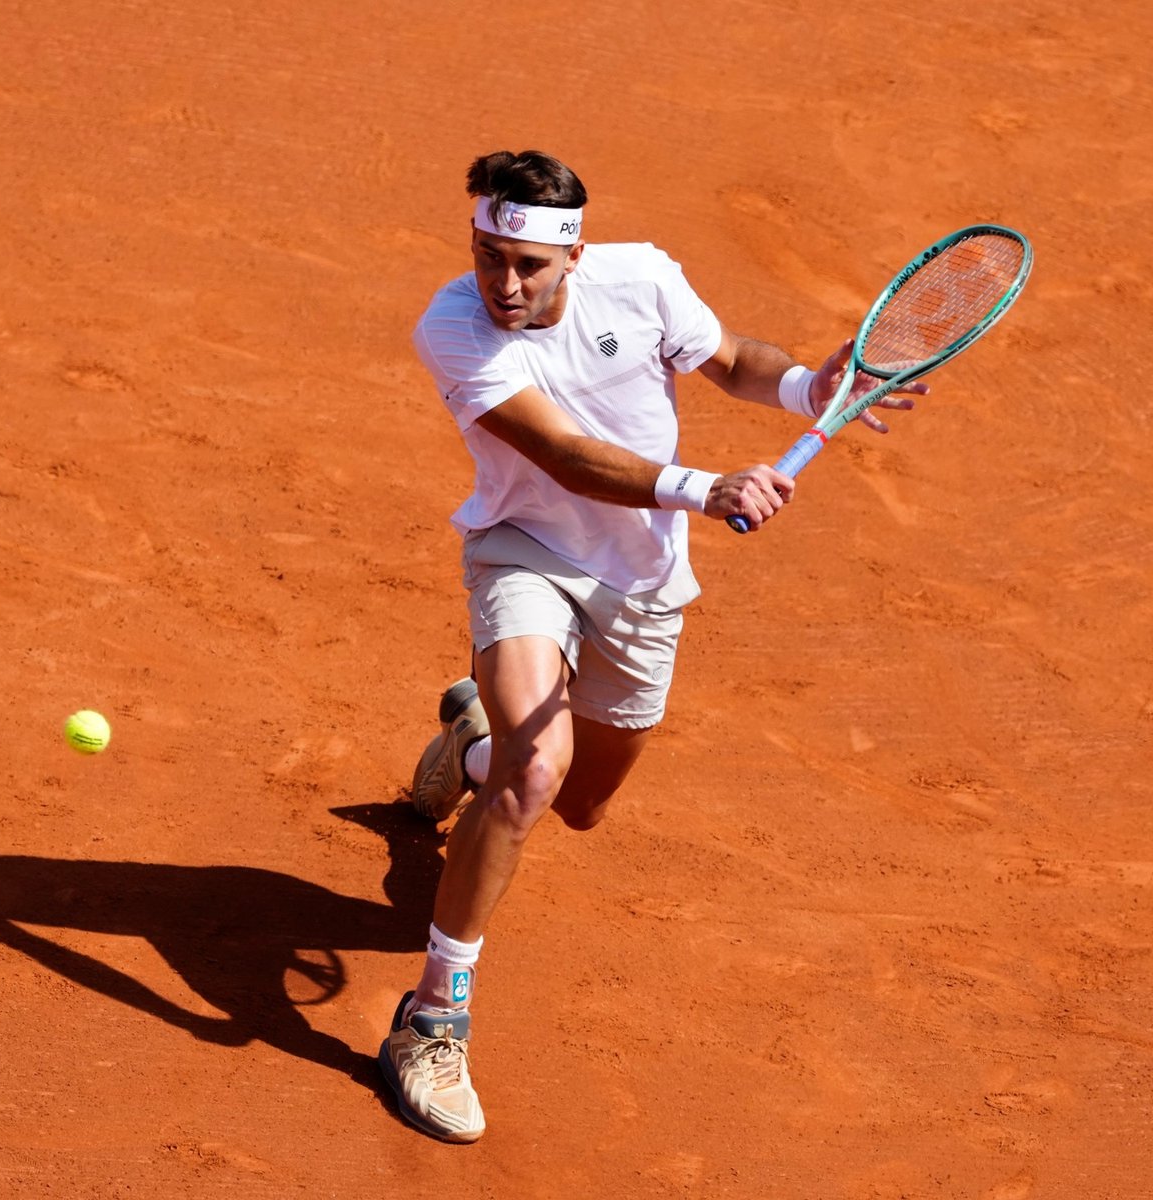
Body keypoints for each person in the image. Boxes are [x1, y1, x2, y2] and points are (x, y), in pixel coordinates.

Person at [376, 149, 923, 1143]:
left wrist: (808, 385)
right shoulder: (450, 327)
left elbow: (729, 363)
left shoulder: (643, 278)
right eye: (487, 255)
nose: (502, 283)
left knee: (576, 803)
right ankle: (432, 1017)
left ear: (573, 255)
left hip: (641, 584)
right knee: (537, 775)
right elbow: (565, 456)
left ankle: (473, 747)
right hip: (525, 551)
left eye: (527, 266)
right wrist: (701, 486)